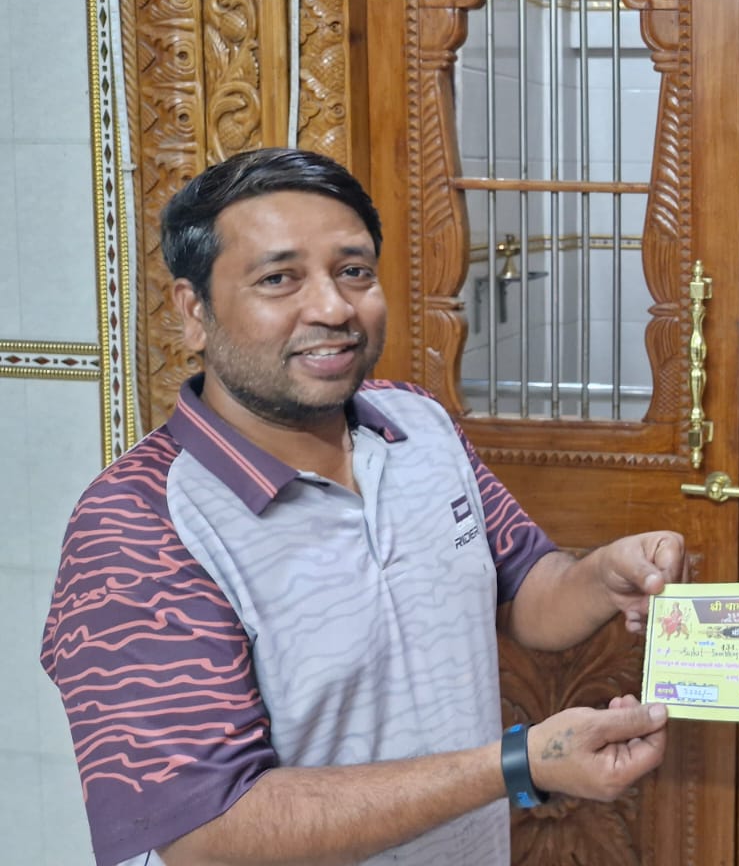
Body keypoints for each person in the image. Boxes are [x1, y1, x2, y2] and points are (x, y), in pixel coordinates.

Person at [40, 148, 684, 866]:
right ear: (195, 312)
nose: (333, 308)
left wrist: (600, 578)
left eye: (353, 272)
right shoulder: (132, 526)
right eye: (279, 279)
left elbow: (523, 587)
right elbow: (208, 830)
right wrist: (517, 764)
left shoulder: (416, 422)